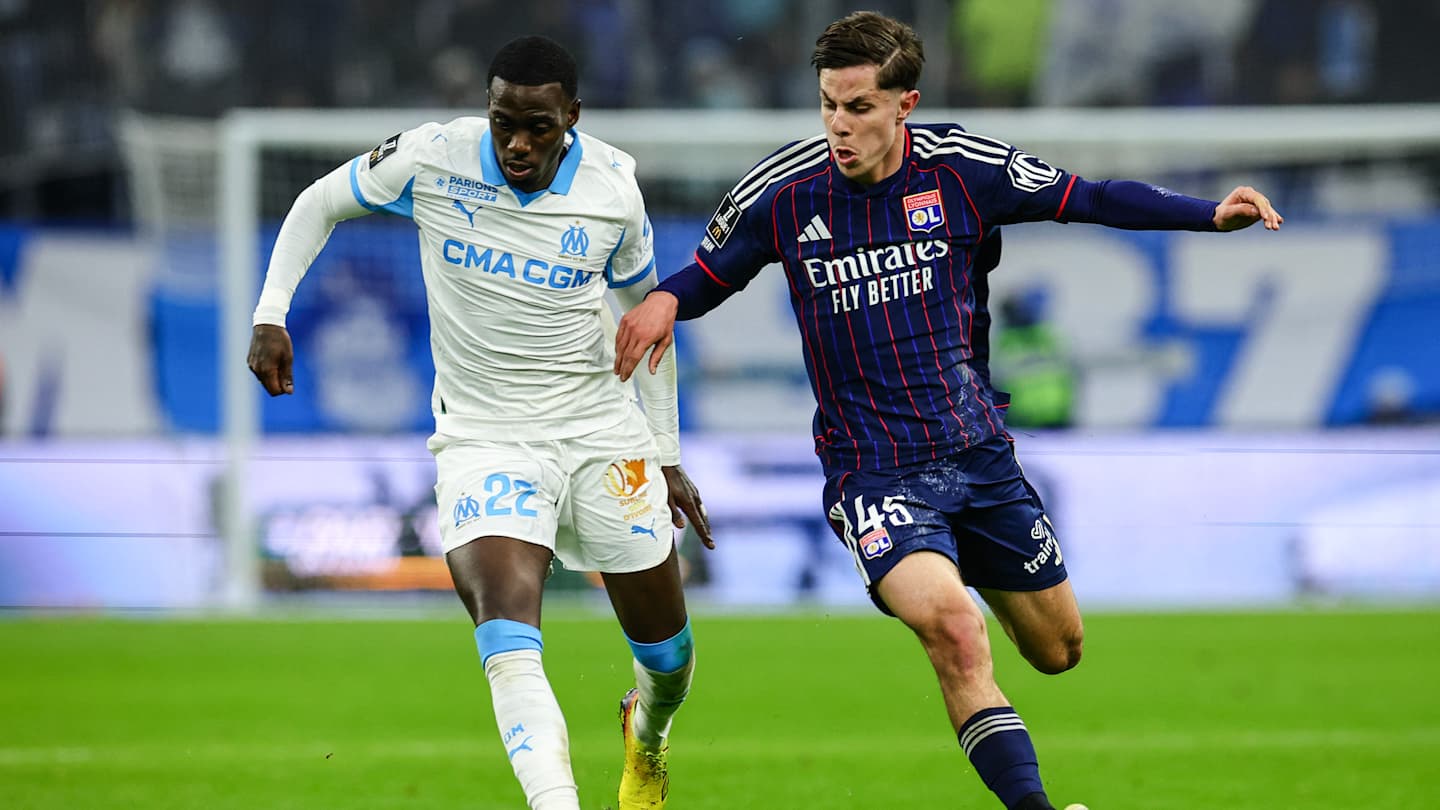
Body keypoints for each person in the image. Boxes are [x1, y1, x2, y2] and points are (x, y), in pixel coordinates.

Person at [614, 11, 1281, 810]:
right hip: (873, 472)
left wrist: (1207, 213)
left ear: (906, 104)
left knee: (1058, 649)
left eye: (859, 107)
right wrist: (664, 300)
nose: (838, 125)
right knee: (957, 633)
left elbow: (1092, 197)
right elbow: (707, 273)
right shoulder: (784, 192)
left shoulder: (963, 169)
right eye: (828, 104)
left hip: (976, 452)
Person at [247, 36, 712, 810]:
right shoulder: (434, 158)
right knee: (507, 638)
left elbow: (648, 327)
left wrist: (665, 456)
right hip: (484, 438)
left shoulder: (613, 189)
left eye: (538, 127)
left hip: (601, 432)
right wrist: (271, 314)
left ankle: (648, 732)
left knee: (669, 660)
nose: (517, 144)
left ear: (572, 116)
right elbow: (319, 201)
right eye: (503, 123)